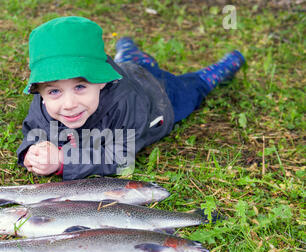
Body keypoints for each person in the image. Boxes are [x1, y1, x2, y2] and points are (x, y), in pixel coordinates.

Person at [16, 16, 245, 180]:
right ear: (40, 92)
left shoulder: (125, 102)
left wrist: (62, 160)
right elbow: (33, 129)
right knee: (131, 62)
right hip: (128, 70)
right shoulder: (43, 105)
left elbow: (120, 156)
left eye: (80, 86)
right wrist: (31, 151)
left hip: (158, 92)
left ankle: (222, 68)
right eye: (55, 91)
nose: (69, 104)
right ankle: (127, 50)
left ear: (102, 81)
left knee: (194, 88)